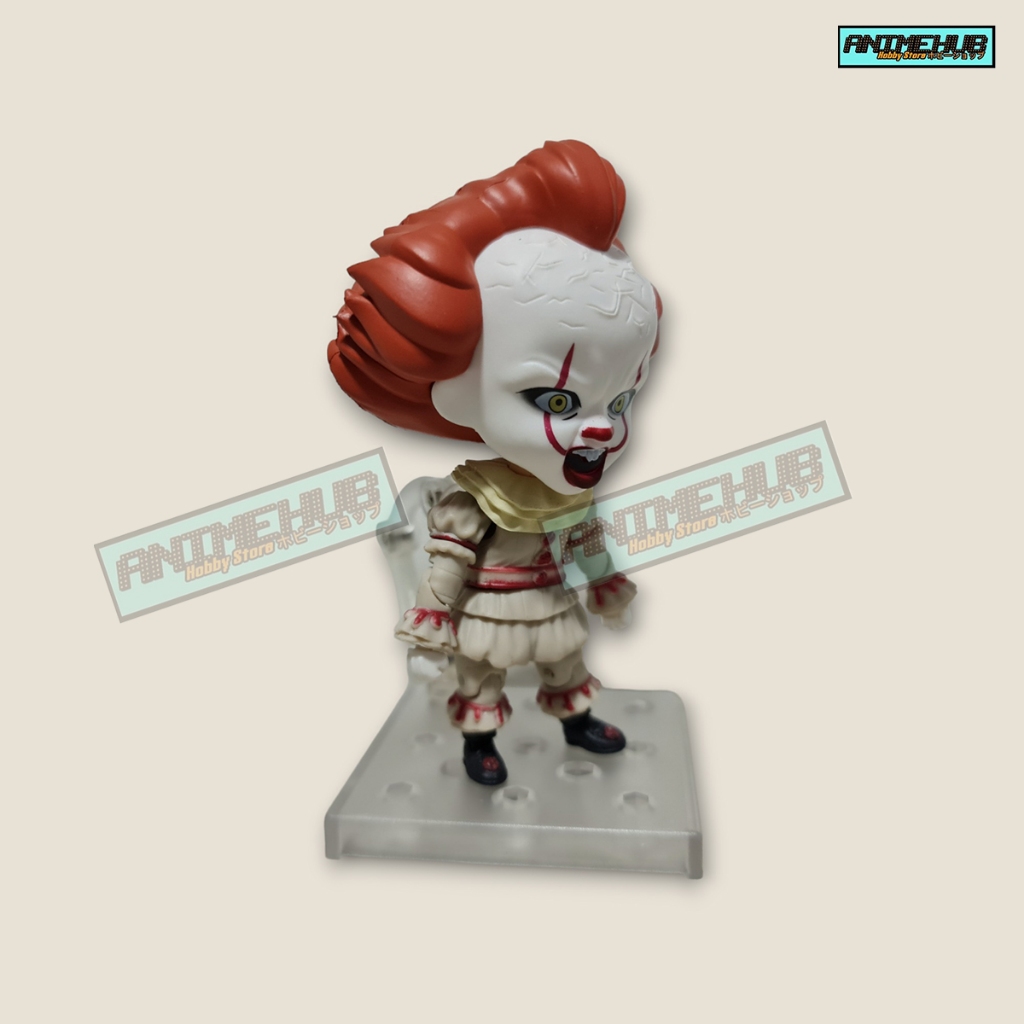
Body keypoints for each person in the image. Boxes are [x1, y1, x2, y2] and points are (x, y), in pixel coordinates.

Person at [328, 141, 661, 785]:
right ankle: (479, 741)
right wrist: (431, 611)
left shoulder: (568, 496)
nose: (602, 427)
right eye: (558, 400)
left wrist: (603, 582)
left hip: (551, 601)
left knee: (566, 663)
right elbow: (449, 561)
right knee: (480, 674)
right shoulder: (477, 496)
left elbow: (585, 541)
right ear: (455, 389)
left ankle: (575, 721)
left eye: (621, 400)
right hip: (490, 608)